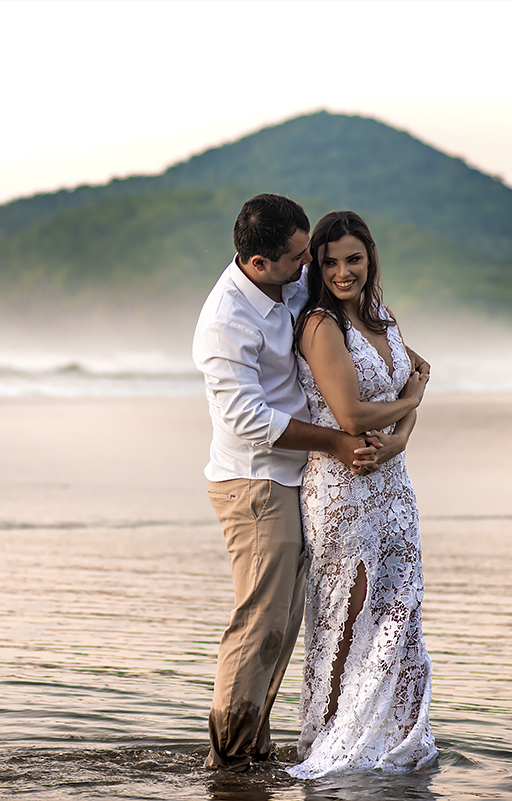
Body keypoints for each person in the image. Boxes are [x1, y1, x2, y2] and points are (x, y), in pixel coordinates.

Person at [192, 194, 397, 772]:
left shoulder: (286, 283)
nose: (310, 265)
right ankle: (228, 760)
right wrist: (334, 440)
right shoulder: (225, 321)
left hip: (295, 476)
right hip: (254, 484)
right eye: (298, 257)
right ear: (259, 262)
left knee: (283, 628)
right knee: (261, 622)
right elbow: (245, 419)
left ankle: (252, 746)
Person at [286, 210, 438, 779]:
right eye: (329, 262)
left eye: (353, 258)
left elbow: (401, 403)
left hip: (393, 487)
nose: (343, 271)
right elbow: (351, 415)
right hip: (342, 489)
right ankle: (328, 742)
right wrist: (412, 401)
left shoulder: (383, 317)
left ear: (370, 257)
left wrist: (398, 439)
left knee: (401, 612)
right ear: (317, 268)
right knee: (347, 620)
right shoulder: (322, 326)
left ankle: (392, 739)